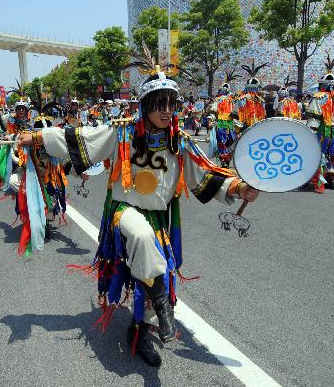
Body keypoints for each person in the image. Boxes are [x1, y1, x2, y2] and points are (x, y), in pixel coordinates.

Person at [16, 66, 259, 367]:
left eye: (172, 104)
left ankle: (139, 331)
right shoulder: (122, 131)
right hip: (124, 211)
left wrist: (238, 187)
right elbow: (82, 138)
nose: (168, 111)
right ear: (146, 104)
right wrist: (39, 136)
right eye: (161, 104)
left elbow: (204, 175)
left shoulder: (179, 140)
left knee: (158, 271)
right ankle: (163, 307)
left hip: (158, 218)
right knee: (142, 239)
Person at [306, 54, 334, 192]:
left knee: (318, 155)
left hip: (322, 131)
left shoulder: (319, 97)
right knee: (330, 154)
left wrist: (310, 132)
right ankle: (330, 180)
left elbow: (314, 117)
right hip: (332, 131)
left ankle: (320, 184)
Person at [236, 59, 269, 129]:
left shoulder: (244, 97)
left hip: (249, 121)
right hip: (255, 121)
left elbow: (240, 107)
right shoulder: (260, 98)